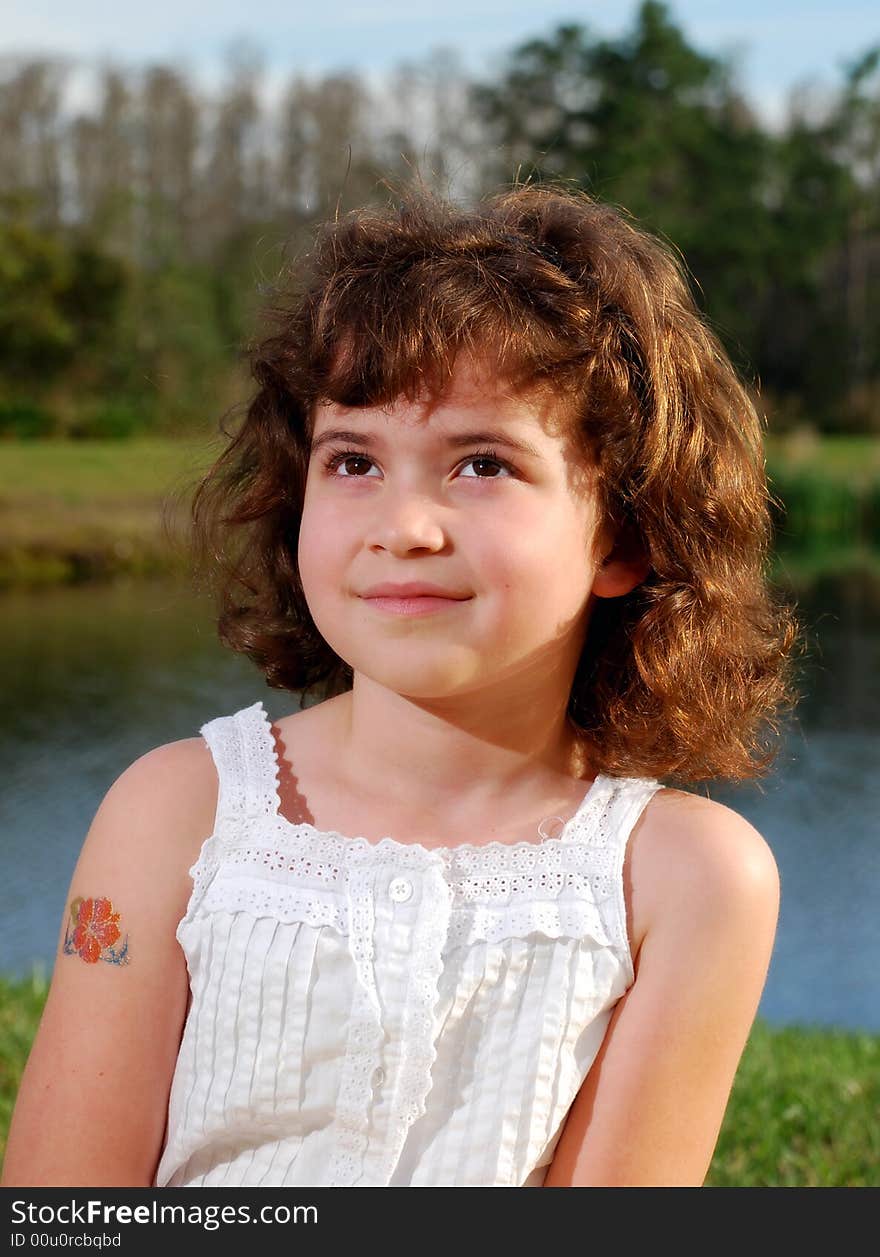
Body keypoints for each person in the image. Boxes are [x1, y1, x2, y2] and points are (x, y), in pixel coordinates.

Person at [1, 179, 803, 1188]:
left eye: (481, 465)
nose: (403, 526)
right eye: (352, 462)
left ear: (624, 535)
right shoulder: (173, 814)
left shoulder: (687, 880)